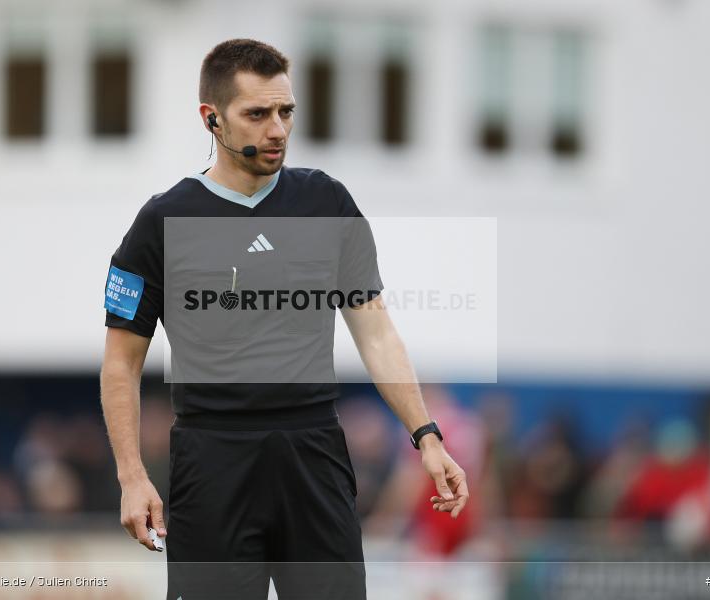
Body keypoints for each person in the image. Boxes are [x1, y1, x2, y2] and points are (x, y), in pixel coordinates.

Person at [99, 38, 469, 600]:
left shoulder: (326, 202)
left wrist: (428, 437)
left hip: (313, 454)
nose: (277, 129)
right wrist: (132, 476)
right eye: (257, 114)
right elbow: (121, 364)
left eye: (285, 112)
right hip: (212, 461)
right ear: (212, 119)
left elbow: (375, 331)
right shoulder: (163, 220)